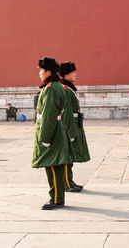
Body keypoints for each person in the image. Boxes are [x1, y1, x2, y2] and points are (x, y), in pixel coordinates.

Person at [32, 57, 74, 210]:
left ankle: (55, 198)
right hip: (58, 128)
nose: (40, 74)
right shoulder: (58, 87)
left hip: (52, 131)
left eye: (41, 71)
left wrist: (44, 138)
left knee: (52, 166)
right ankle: (58, 197)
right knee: (56, 165)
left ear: (48, 72)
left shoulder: (50, 89)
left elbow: (49, 115)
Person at [60, 62, 90, 192]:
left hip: (74, 125)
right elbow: (67, 113)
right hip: (69, 127)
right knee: (67, 156)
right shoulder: (65, 89)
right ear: (66, 75)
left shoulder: (69, 88)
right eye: (73, 73)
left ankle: (69, 181)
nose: (75, 74)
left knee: (70, 157)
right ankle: (67, 183)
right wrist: (71, 134)